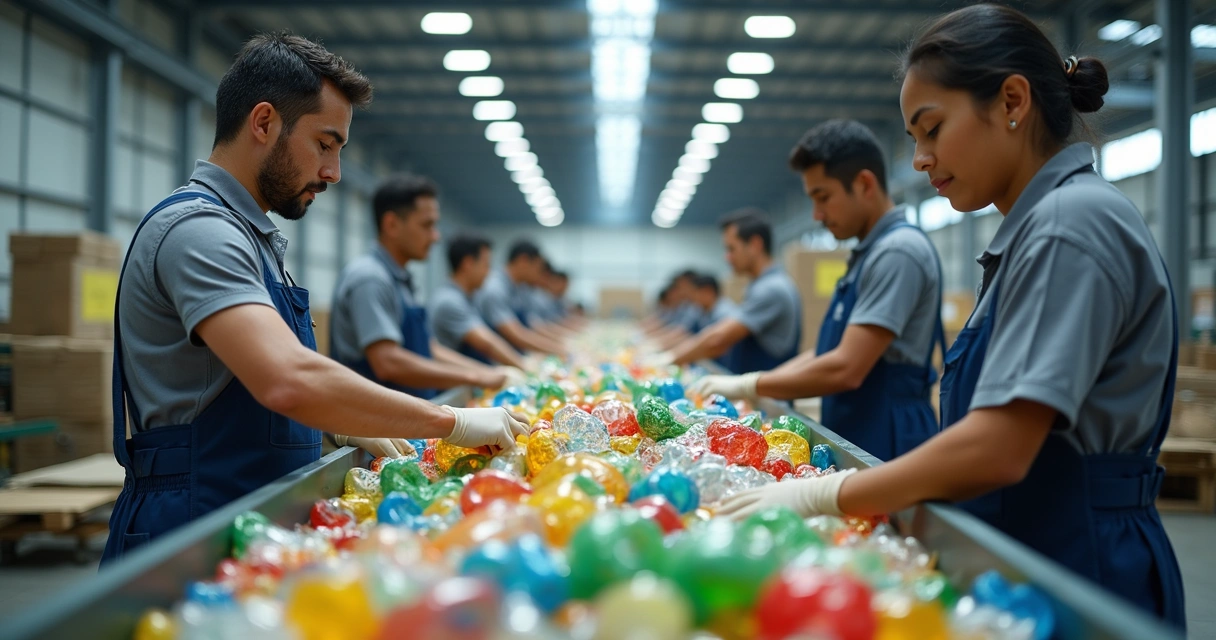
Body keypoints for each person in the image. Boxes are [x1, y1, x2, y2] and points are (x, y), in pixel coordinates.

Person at [718, 4, 1185, 628]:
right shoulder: (1032, 232)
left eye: (932, 129)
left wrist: (822, 493)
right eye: (914, 139)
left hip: (1082, 556)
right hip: (1035, 541)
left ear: (1012, 101)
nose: (919, 159)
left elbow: (999, 447)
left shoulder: (1069, 225)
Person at [103, 34, 526, 564]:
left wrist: (332, 421)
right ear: (263, 123)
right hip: (190, 525)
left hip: (241, 517)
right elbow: (287, 378)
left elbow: (247, 376)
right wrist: (452, 422)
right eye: (325, 144)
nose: (334, 172)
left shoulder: (251, 237)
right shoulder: (200, 232)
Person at [694, 120, 945, 461]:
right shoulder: (867, 255)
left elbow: (846, 366)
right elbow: (828, 351)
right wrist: (758, 382)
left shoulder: (897, 252)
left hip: (888, 432)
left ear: (864, 183)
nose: (817, 214)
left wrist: (751, 385)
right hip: (860, 424)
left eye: (823, 197)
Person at [331, 175, 518, 400]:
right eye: (427, 225)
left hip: (409, 416)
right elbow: (387, 362)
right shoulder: (370, 278)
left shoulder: (400, 280)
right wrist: (475, 377)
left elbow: (430, 349)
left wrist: (485, 373)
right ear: (391, 225)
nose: (435, 236)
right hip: (377, 428)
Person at [663, 211, 801, 373]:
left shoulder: (771, 289)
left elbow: (717, 339)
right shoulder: (762, 286)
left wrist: (667, 361)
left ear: (755, 244)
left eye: (731, 249)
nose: (727, 257)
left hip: (769, 394)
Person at [429, 234, 527, 368]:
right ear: (468, 264)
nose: (489, 273)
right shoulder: (450, 301)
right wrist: (525, 367)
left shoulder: (470, 298)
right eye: (486, 265)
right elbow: (487, 343)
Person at [474, 241, 566, 355]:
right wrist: (560, 350)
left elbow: (533, 325)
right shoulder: (495, 289)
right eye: (537, 268)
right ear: (523, 261)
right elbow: (515, 335)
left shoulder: (519, 289)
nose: (538, 274)